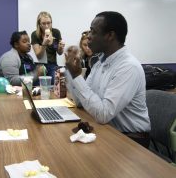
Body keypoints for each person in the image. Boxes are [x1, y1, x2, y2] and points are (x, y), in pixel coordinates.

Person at [65, 11, 151, 148]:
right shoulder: (100, 63)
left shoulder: (128, 67)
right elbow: (80, 102)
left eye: (93, 31)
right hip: (108, 130)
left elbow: (104, 114)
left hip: (131, 139)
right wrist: (70, 72)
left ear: (110, 35)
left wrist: (77, 76)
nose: (88, 37)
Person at [31, 11, 65, 83]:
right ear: (39, 24)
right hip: (40, 65)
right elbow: (39, 56)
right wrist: (44, 44)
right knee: (38, 84)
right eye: (43, 23)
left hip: (52, 65)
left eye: (48, 23)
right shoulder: (35, 35)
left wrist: (61, 47)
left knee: (55, 82)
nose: (46, 26)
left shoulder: (56, 32)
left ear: (51, 23)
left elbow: (59, 53)